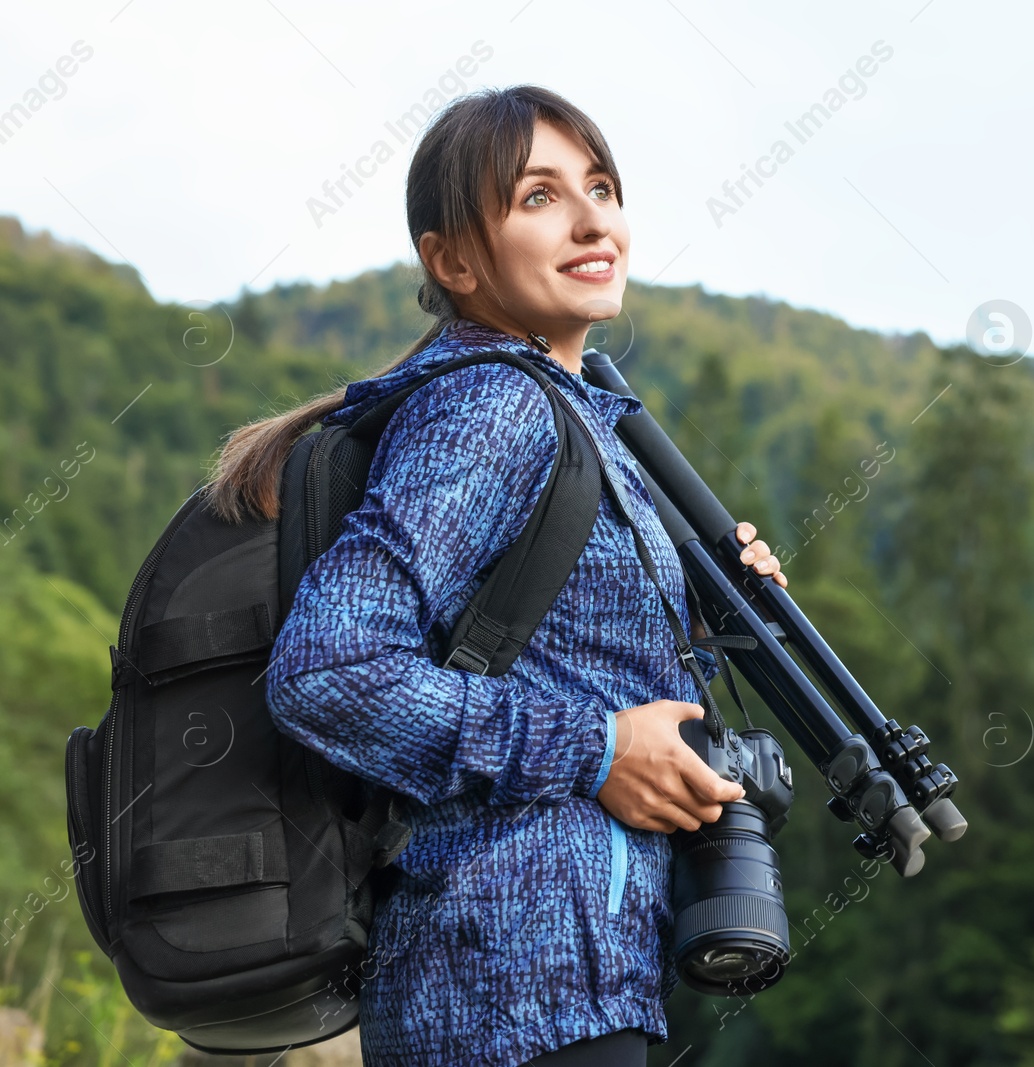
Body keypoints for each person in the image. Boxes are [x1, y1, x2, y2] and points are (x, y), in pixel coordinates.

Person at [208, 86, 786, 1066]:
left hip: (554, 981)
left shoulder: (565, 416)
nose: (593, 217)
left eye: (600, 187)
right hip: (512, 986)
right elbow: (329, 669)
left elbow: (538, 651)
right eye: (539, 197)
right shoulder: (493, 406)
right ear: (454, 260)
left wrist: (689, 612)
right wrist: (595, 750)